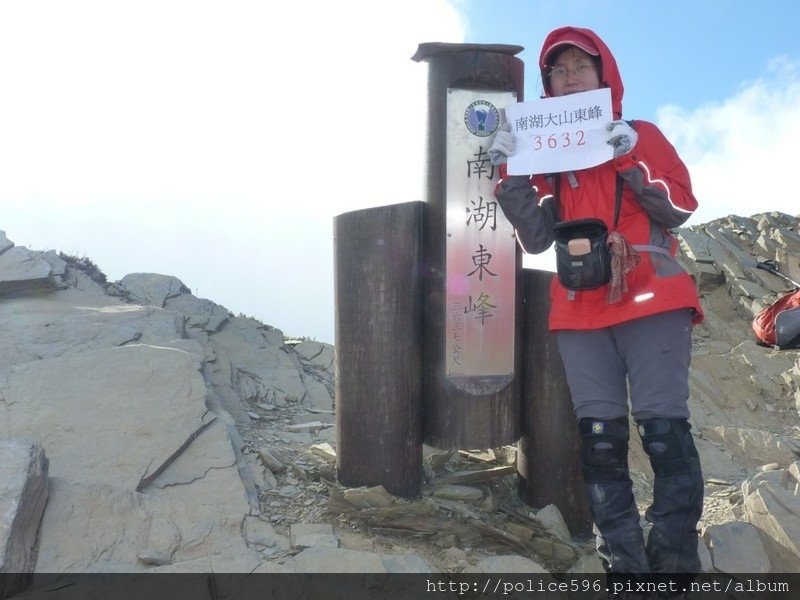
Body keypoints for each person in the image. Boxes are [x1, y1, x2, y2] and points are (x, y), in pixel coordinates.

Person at [488, 26, 705, 588]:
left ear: (603, 74)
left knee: (663, 428)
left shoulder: (639, 133)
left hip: (651, 294)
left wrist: (630, 155)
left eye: (580, 67)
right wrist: (510, 173)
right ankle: (625, 567)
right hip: (579, 302)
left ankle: (674, 564)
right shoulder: (545, 152)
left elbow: (679, 204)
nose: (568, 78)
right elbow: (536, 238)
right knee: (601, 439)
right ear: (548, 87)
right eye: (557, 72)